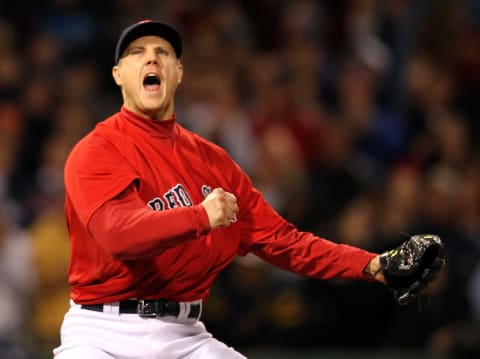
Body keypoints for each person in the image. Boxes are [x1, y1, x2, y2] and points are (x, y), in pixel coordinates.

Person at [52, 19, 428, 359]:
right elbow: (120, 236)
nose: (151, 60)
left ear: (178, 73)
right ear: (118, 74)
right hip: (103, 333)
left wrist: (372, 265)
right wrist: (200, 216)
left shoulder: (214, 163)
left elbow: (284, 242)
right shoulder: (96, 151)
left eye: (162, 53)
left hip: (184, 335)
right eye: (138, 54)